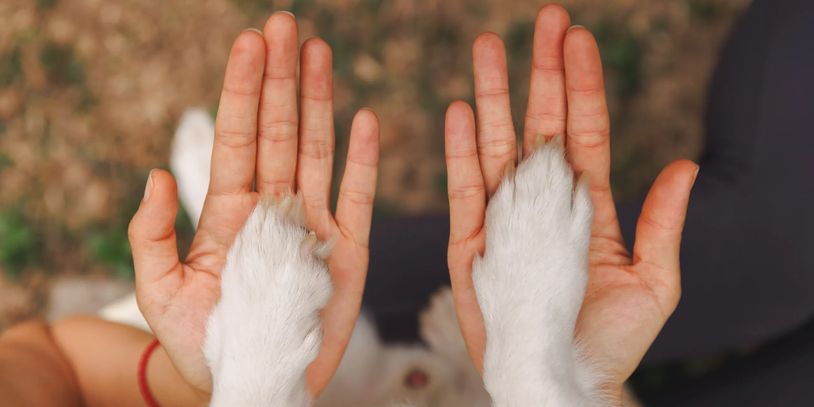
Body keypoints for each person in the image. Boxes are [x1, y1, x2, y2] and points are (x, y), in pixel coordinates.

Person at [21, 0, 809, 404]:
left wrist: (232, 374)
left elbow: (44, 361)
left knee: (777, 245)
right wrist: (573, 373)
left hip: (342, 369)